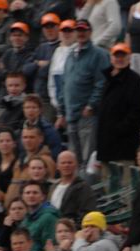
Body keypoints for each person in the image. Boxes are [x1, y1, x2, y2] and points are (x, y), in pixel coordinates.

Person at [61, 19, 108, 166]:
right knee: (73, 160)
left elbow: (102, 83)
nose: (81, 33)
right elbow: (65, 82)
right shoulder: (70, 54)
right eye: (78, 30)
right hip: (71, 114)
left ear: (90, 32)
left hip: (87, 115)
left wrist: (91, 105)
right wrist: (62, 111)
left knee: (88, 160)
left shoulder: (99, 54)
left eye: (84, 30)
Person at [96, 42, 140, 171]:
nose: (119, 59)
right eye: (116, 56)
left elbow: (139, 110)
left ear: (129, 58)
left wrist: (119, 129)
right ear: (111, 58)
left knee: (125, 182)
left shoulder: (134, 80)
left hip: (124, 148)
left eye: (123, 56)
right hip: (105, 147)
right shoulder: (108, 79)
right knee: (106, 182)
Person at [49, 149, 97, 222]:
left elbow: (87, 213)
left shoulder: (83, 188)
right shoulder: (52, 187)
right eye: (63, 163)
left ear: (76, 165)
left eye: (70, 162)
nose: (66, 165)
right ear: (57, 166)